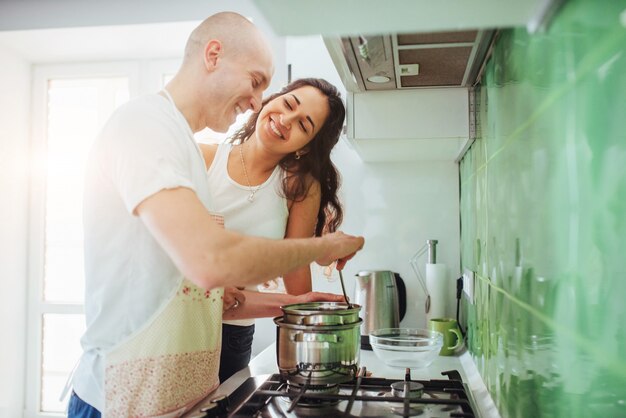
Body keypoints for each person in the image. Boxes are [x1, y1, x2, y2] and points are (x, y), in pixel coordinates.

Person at [67, 12, 364, 418]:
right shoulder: (144, 125)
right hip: (120, 399)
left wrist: (295, 303)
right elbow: (211, 263)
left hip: (175, 395)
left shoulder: (183, 147)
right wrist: (323, 246)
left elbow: (207, 293)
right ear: (213, 56)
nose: (259, 101)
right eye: (256, 81)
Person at [198, 77, 346, 383]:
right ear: (271, 100)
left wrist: (319, 350)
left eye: (304, 125)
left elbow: (296, 270)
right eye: (289, 104)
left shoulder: (299, 186)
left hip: (232, 334)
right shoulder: (204, 157)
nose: (285, 121)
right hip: (180, 324)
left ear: (307, 146)